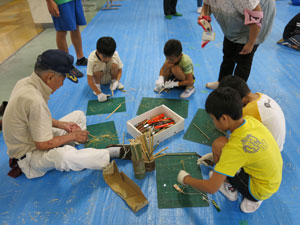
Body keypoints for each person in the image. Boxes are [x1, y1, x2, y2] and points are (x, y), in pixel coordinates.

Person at [2, 50, 131, 179]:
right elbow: (42, 145)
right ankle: (109, 153)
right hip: (30, 154)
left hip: (33, 135)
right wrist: (72, 136)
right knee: (64, 156)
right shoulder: (34, 100)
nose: (62, 84)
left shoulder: (26, 82)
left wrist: (62, 125)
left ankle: (69, 144)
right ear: (50, 77)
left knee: (78, 116)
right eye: (63, 79)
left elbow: (35, 118)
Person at [177, 87, 283, 213]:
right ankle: (234, 180)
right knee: (220, 143)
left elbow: (211, 188)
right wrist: (216, 155)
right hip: (272, 178)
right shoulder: (251, 121)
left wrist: (186, 179)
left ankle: (235, 191)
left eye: (212, 119)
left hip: (259, 190)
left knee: (220, 159)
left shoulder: (234, 149)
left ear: (224, 118)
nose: (213, 122)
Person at [198, 0, 276, 89]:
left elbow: (256, 18)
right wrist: (204, 16)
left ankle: (236, 92)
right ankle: (222, 83)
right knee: (228, 54)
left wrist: (251, 43)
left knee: (243, 60)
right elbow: (206, 5)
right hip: (237, 19)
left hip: (255, 22)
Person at [218, 75, 286, 152]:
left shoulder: (248, 111)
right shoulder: (261, 95)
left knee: (221, 144)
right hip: (277, 145)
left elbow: (235, 133)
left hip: (269, 151)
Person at [46, 0, 88, 82]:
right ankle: (66, 65)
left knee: (76, 27)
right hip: (61, 2)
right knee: (62, 31)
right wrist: (50, 2)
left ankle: (81, 58)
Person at [87, 37, 124, 103]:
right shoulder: (92, 59)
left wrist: (117, 81)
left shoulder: (114, 54)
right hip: (99, 79)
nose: (107, 59)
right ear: (98, 52)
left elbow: (120, 70)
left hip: (110, 76)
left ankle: (113, 81)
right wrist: (99, 93)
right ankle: (97, 86)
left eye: (110, 57)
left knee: (115, 63)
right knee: (99, 64)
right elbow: (89, 80)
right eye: (104, 57)